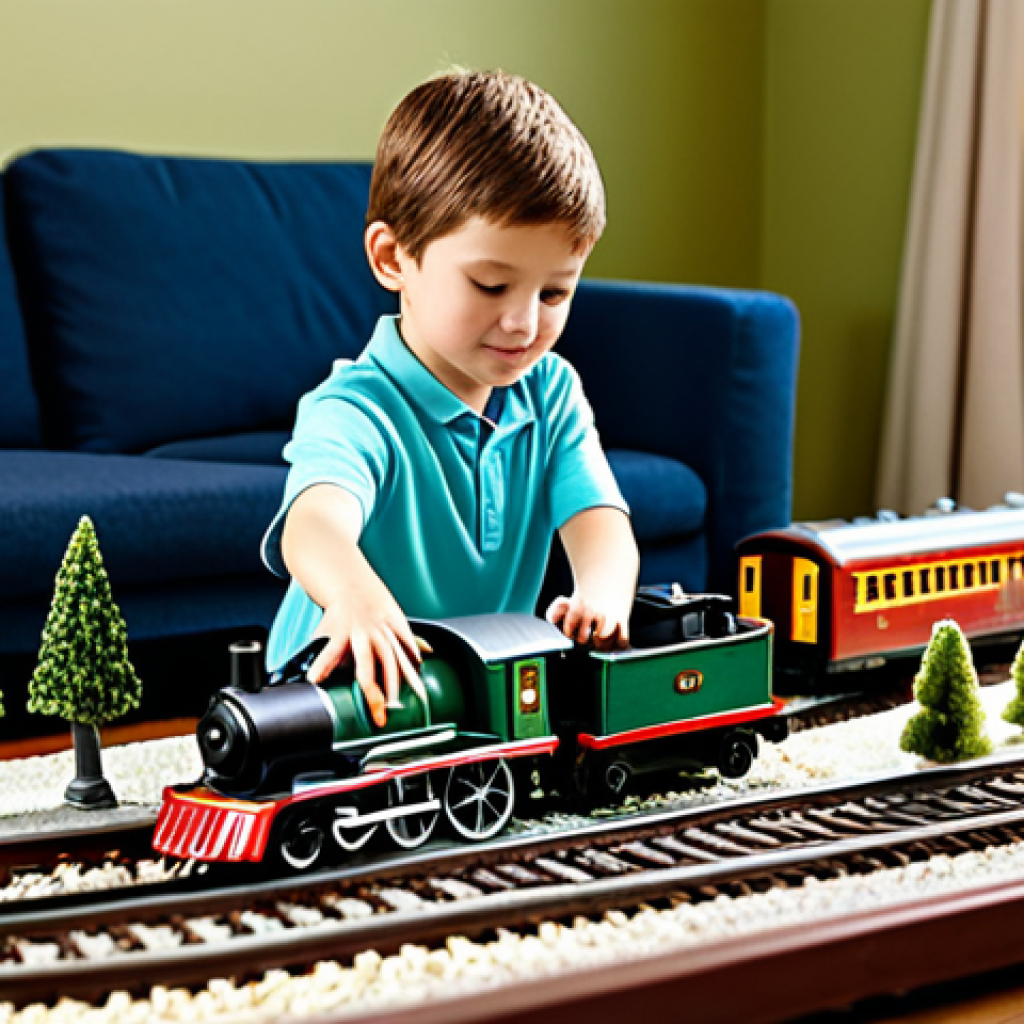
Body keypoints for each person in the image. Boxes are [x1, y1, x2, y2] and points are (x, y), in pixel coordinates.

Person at [262, 69, 639, 727]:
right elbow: (314, 524)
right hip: (343, 685)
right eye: (491, 286)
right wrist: (356, 597)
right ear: (393, 258)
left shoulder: (551, 392)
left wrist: (602, 595)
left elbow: (599, 519)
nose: (524, 323)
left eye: (554, 292)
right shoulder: (356, 409)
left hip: (477, 689)